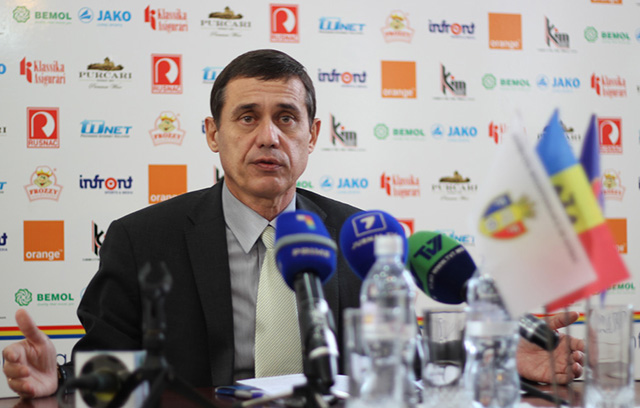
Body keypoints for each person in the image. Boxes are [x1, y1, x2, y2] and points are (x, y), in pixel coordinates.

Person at [2, 49, 584, 400]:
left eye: (286, 117)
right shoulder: (141, 239)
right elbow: (107, 364)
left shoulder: (365, 238)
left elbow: (401, 362)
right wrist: (61, 381)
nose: (268, 136)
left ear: (313, 134)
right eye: (246, 117)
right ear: (213, 134)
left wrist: (499, 356)